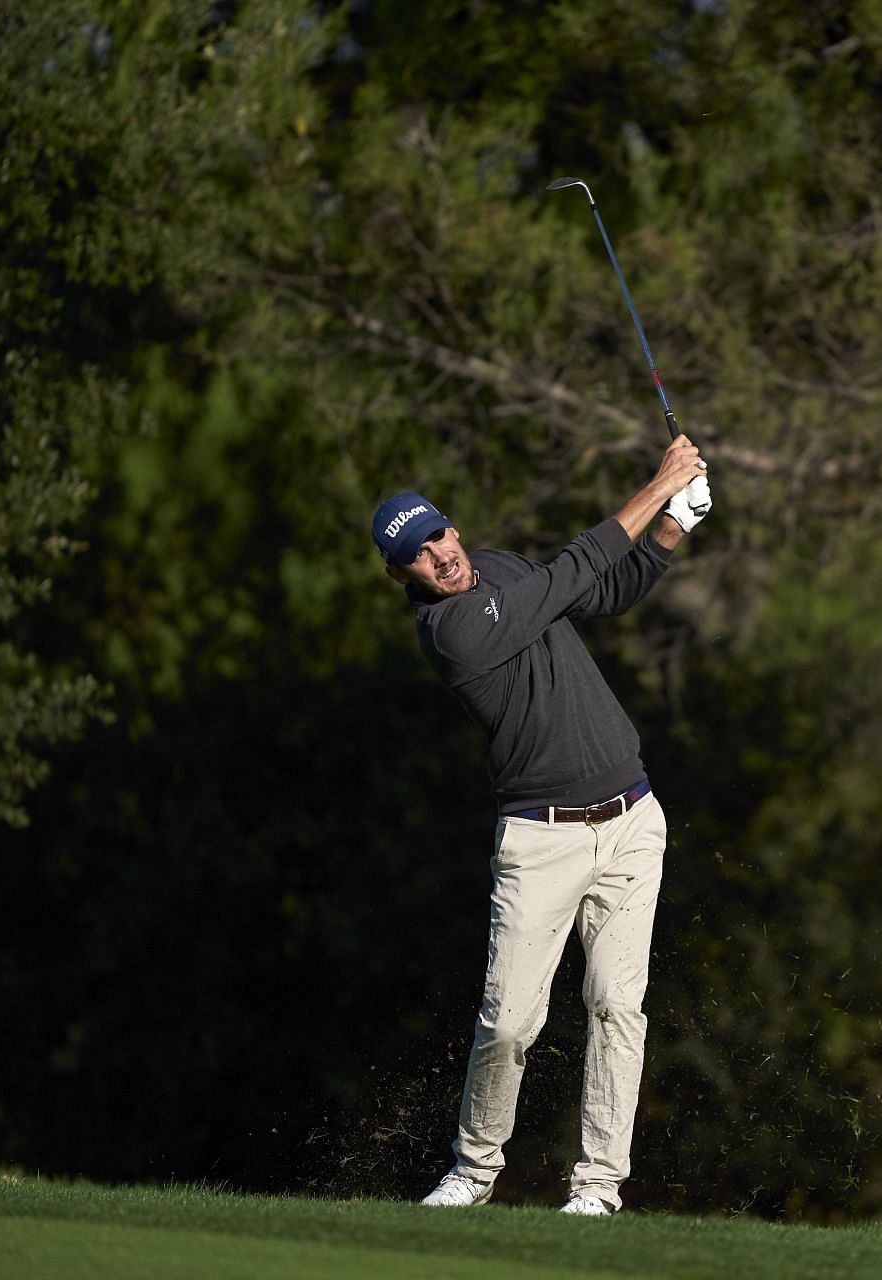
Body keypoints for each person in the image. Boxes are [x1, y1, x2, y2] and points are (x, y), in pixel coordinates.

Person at [372, 435, 713, 1217]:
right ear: (402, 577)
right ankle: (474, 1169)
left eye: (440, 535)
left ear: (453, 530)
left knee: (617, 1007)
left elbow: (603, 591)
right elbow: (575, 567)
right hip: (541, 839)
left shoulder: (500, 568)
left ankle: (597, 1188)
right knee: (512, 1020)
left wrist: (671, 529)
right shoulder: (451, 632)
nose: (441, 556)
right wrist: (661, 483)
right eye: (418, 556)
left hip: (631, 821)